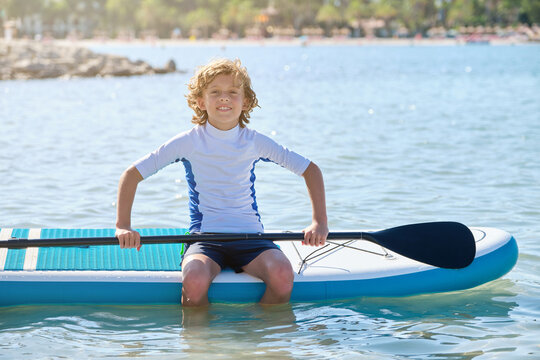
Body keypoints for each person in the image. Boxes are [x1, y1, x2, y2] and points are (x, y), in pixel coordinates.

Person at [115, 58, 328, 306]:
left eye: (232, 92)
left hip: (251, 238)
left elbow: (310, 170)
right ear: (200, 102)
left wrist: (319, 222)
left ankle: (256, 337)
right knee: (194, 280)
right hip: (205, 239)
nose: (224, 98)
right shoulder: (188, 142)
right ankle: (202, 343)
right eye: (215, 92)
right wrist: (123, 226)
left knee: (282, 275)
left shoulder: (255, 141)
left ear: (245, 101)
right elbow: (131, 175)